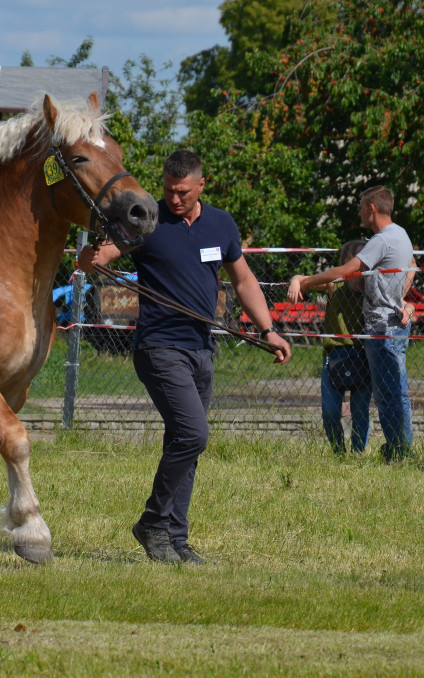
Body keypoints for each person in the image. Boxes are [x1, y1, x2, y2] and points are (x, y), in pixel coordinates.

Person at [78, 150, 291, 564]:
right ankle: (152, 523)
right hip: (159, 348)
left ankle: (175, 538)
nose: (173, 200)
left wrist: (269, 329)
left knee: (185, 444)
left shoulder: (221, 224)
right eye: (168, 190)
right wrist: (91, 259)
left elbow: (243, 279)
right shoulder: (147, 219)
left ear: (200, 186)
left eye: (182, 192)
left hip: (200, 349)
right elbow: (100, 258)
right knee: (193, 435)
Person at [288, 186, 415, 462]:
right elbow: (411, 268)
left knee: (389, 397)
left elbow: (347, 271)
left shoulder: (381, 239)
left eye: (360, 208)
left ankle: (399, 451)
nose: (359, 213)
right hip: (392, 327)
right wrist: (403, 302)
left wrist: (306, 280)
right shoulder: (401, 235)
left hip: (383, 329)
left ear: (371, 208)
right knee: (395, 394)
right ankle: (399, 449)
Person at [320, 240, 374, 455]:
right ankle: (338, 452)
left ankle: (358, 453)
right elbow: (307, 281)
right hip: (336, 355)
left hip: (364, 355)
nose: (359, 269)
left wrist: (408, 307)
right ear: (345, 264)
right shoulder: (335, 285)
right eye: (354, 263)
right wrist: (298, 280)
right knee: (330, 411)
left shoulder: (373, 288)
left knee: (360, 411)